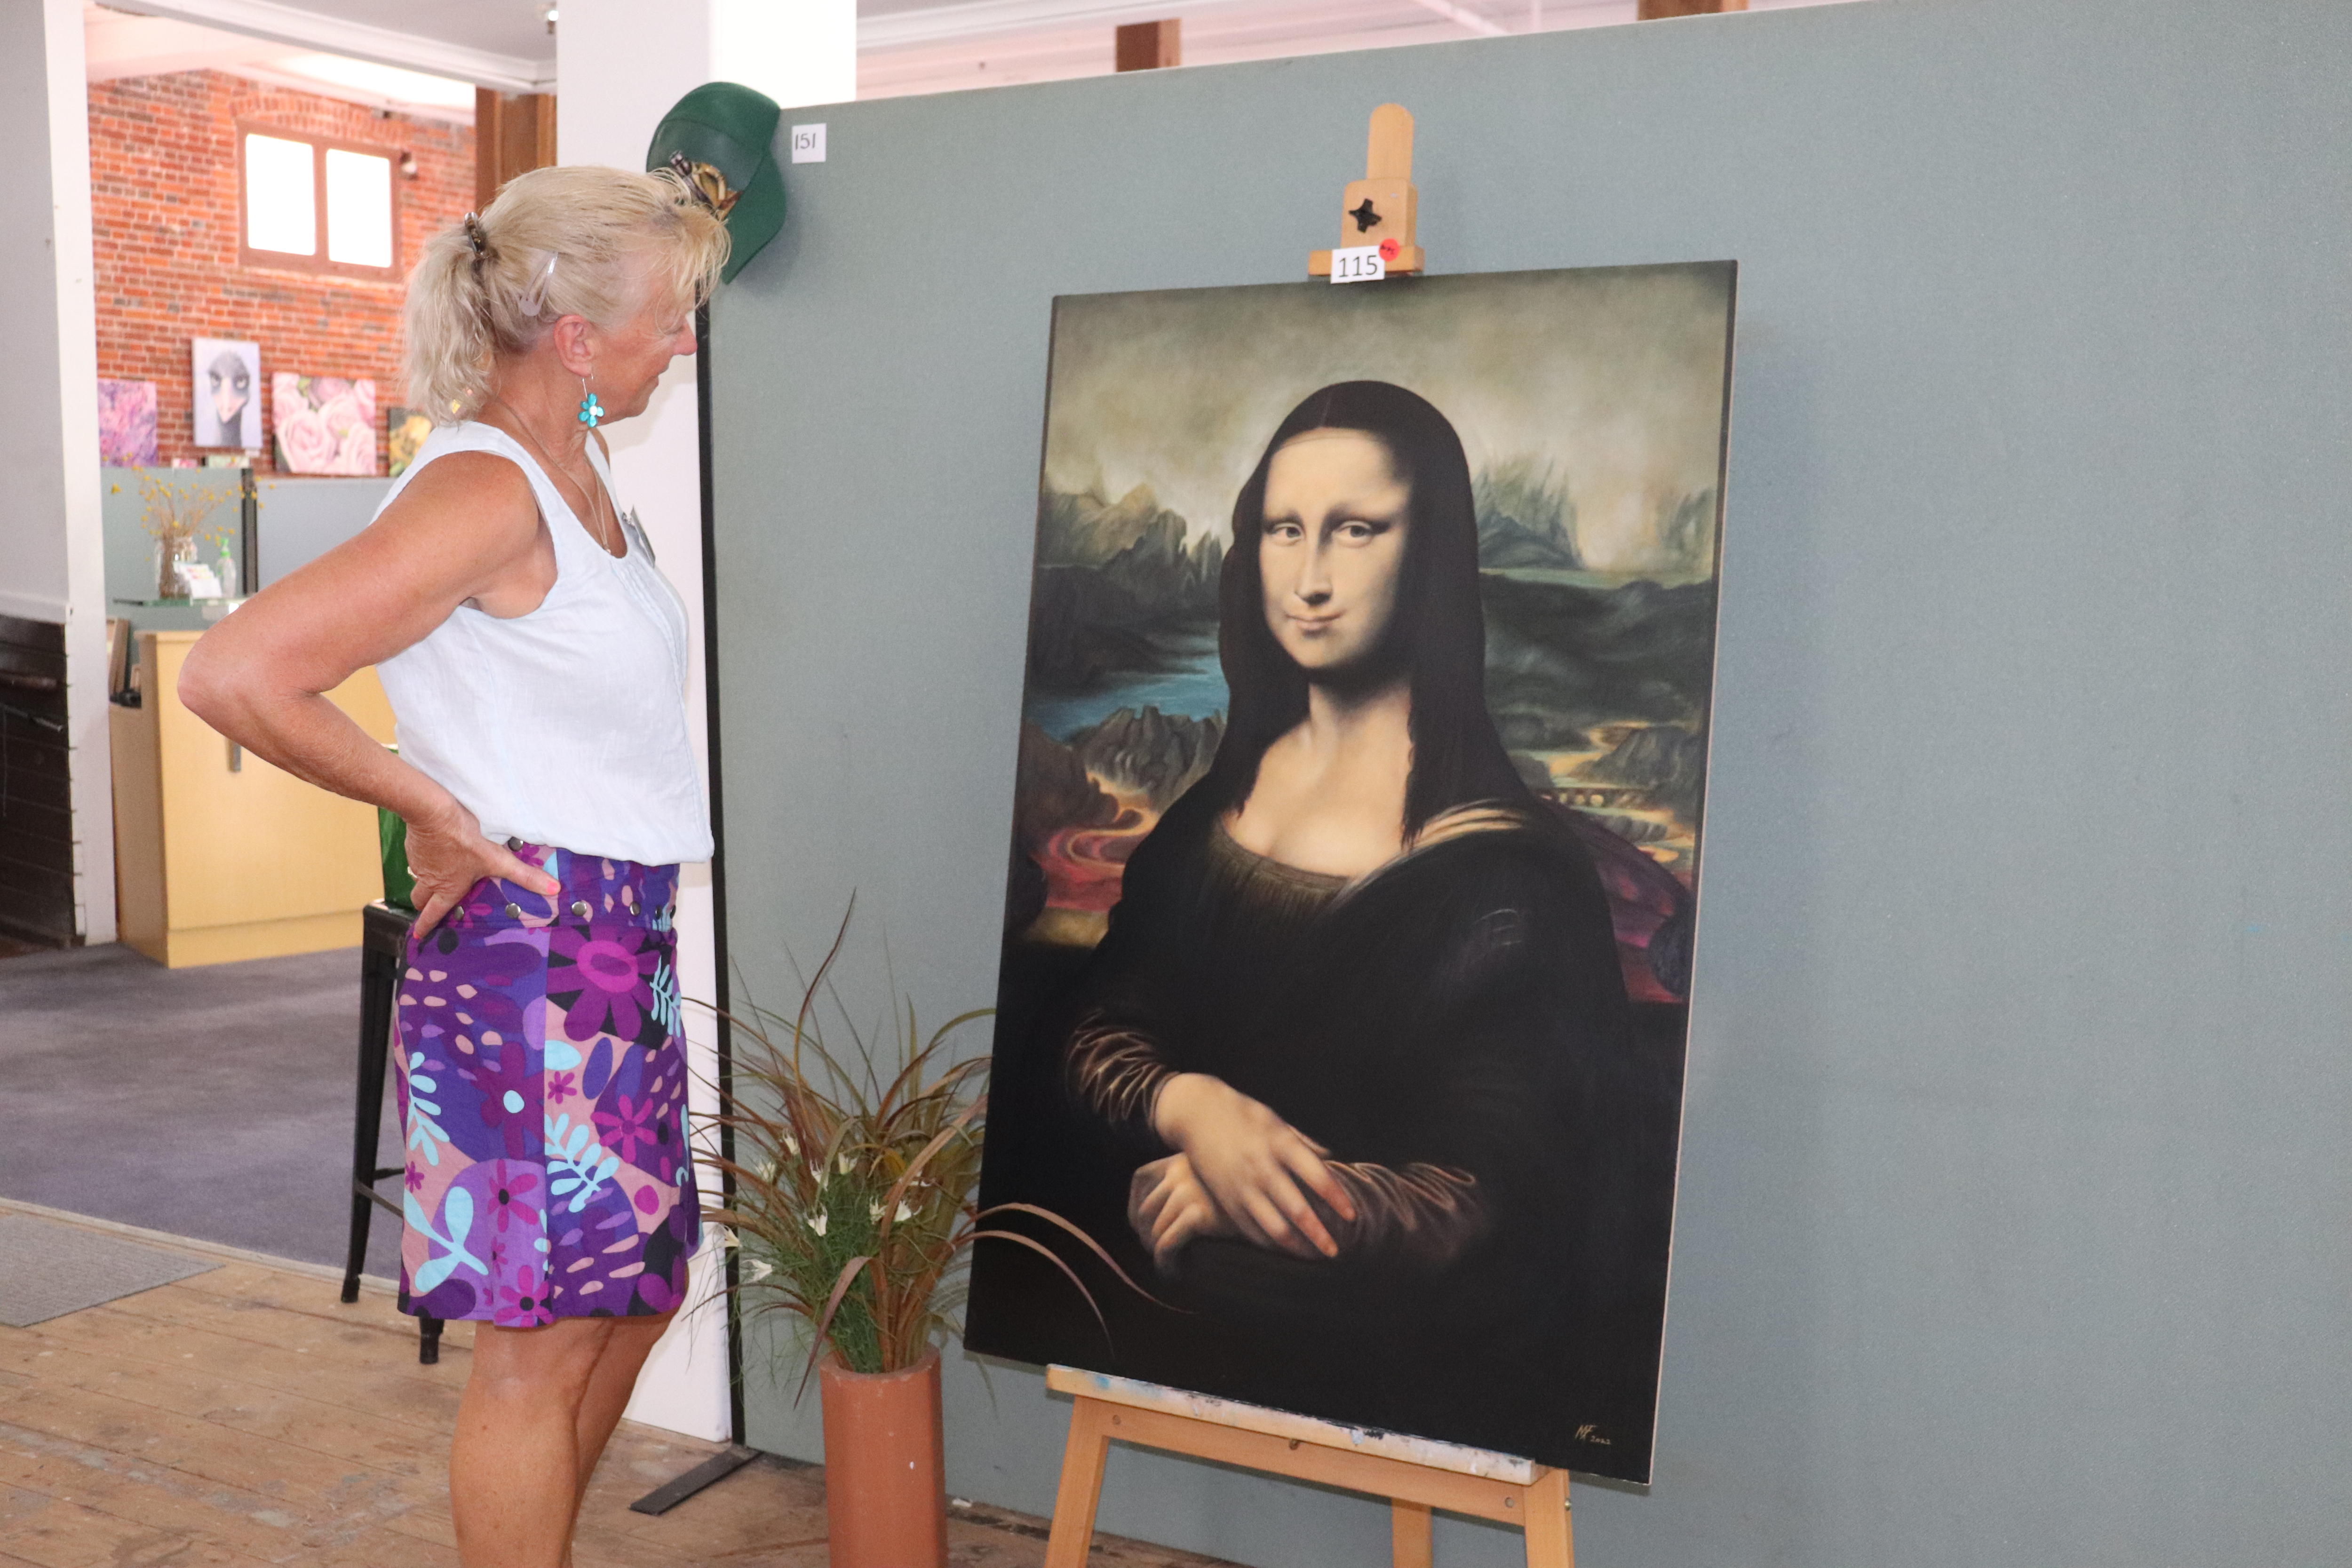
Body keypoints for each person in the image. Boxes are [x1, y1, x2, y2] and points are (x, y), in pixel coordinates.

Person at [179, 165, 727, 1568]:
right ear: (576, 336)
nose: (684, 338)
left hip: (611, 946)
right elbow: (238, 671)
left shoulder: (578, 469)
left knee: (640, 1285)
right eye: (669, 314)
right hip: (531, 954)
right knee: (537, 1348)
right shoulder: (485, 488)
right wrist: (428, 802)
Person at [1047, 381, 1667, 1460]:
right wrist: (1192, 1105)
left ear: (1429, 554)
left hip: (1404, 1360)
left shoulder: (1510, 878)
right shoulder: (1210, 812)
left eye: (1357, 529)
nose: (1312, 578)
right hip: (1163, 1318)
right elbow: (1105, 1021)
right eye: (1284, 529)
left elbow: (1499, 1199)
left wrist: (1260, 1193)